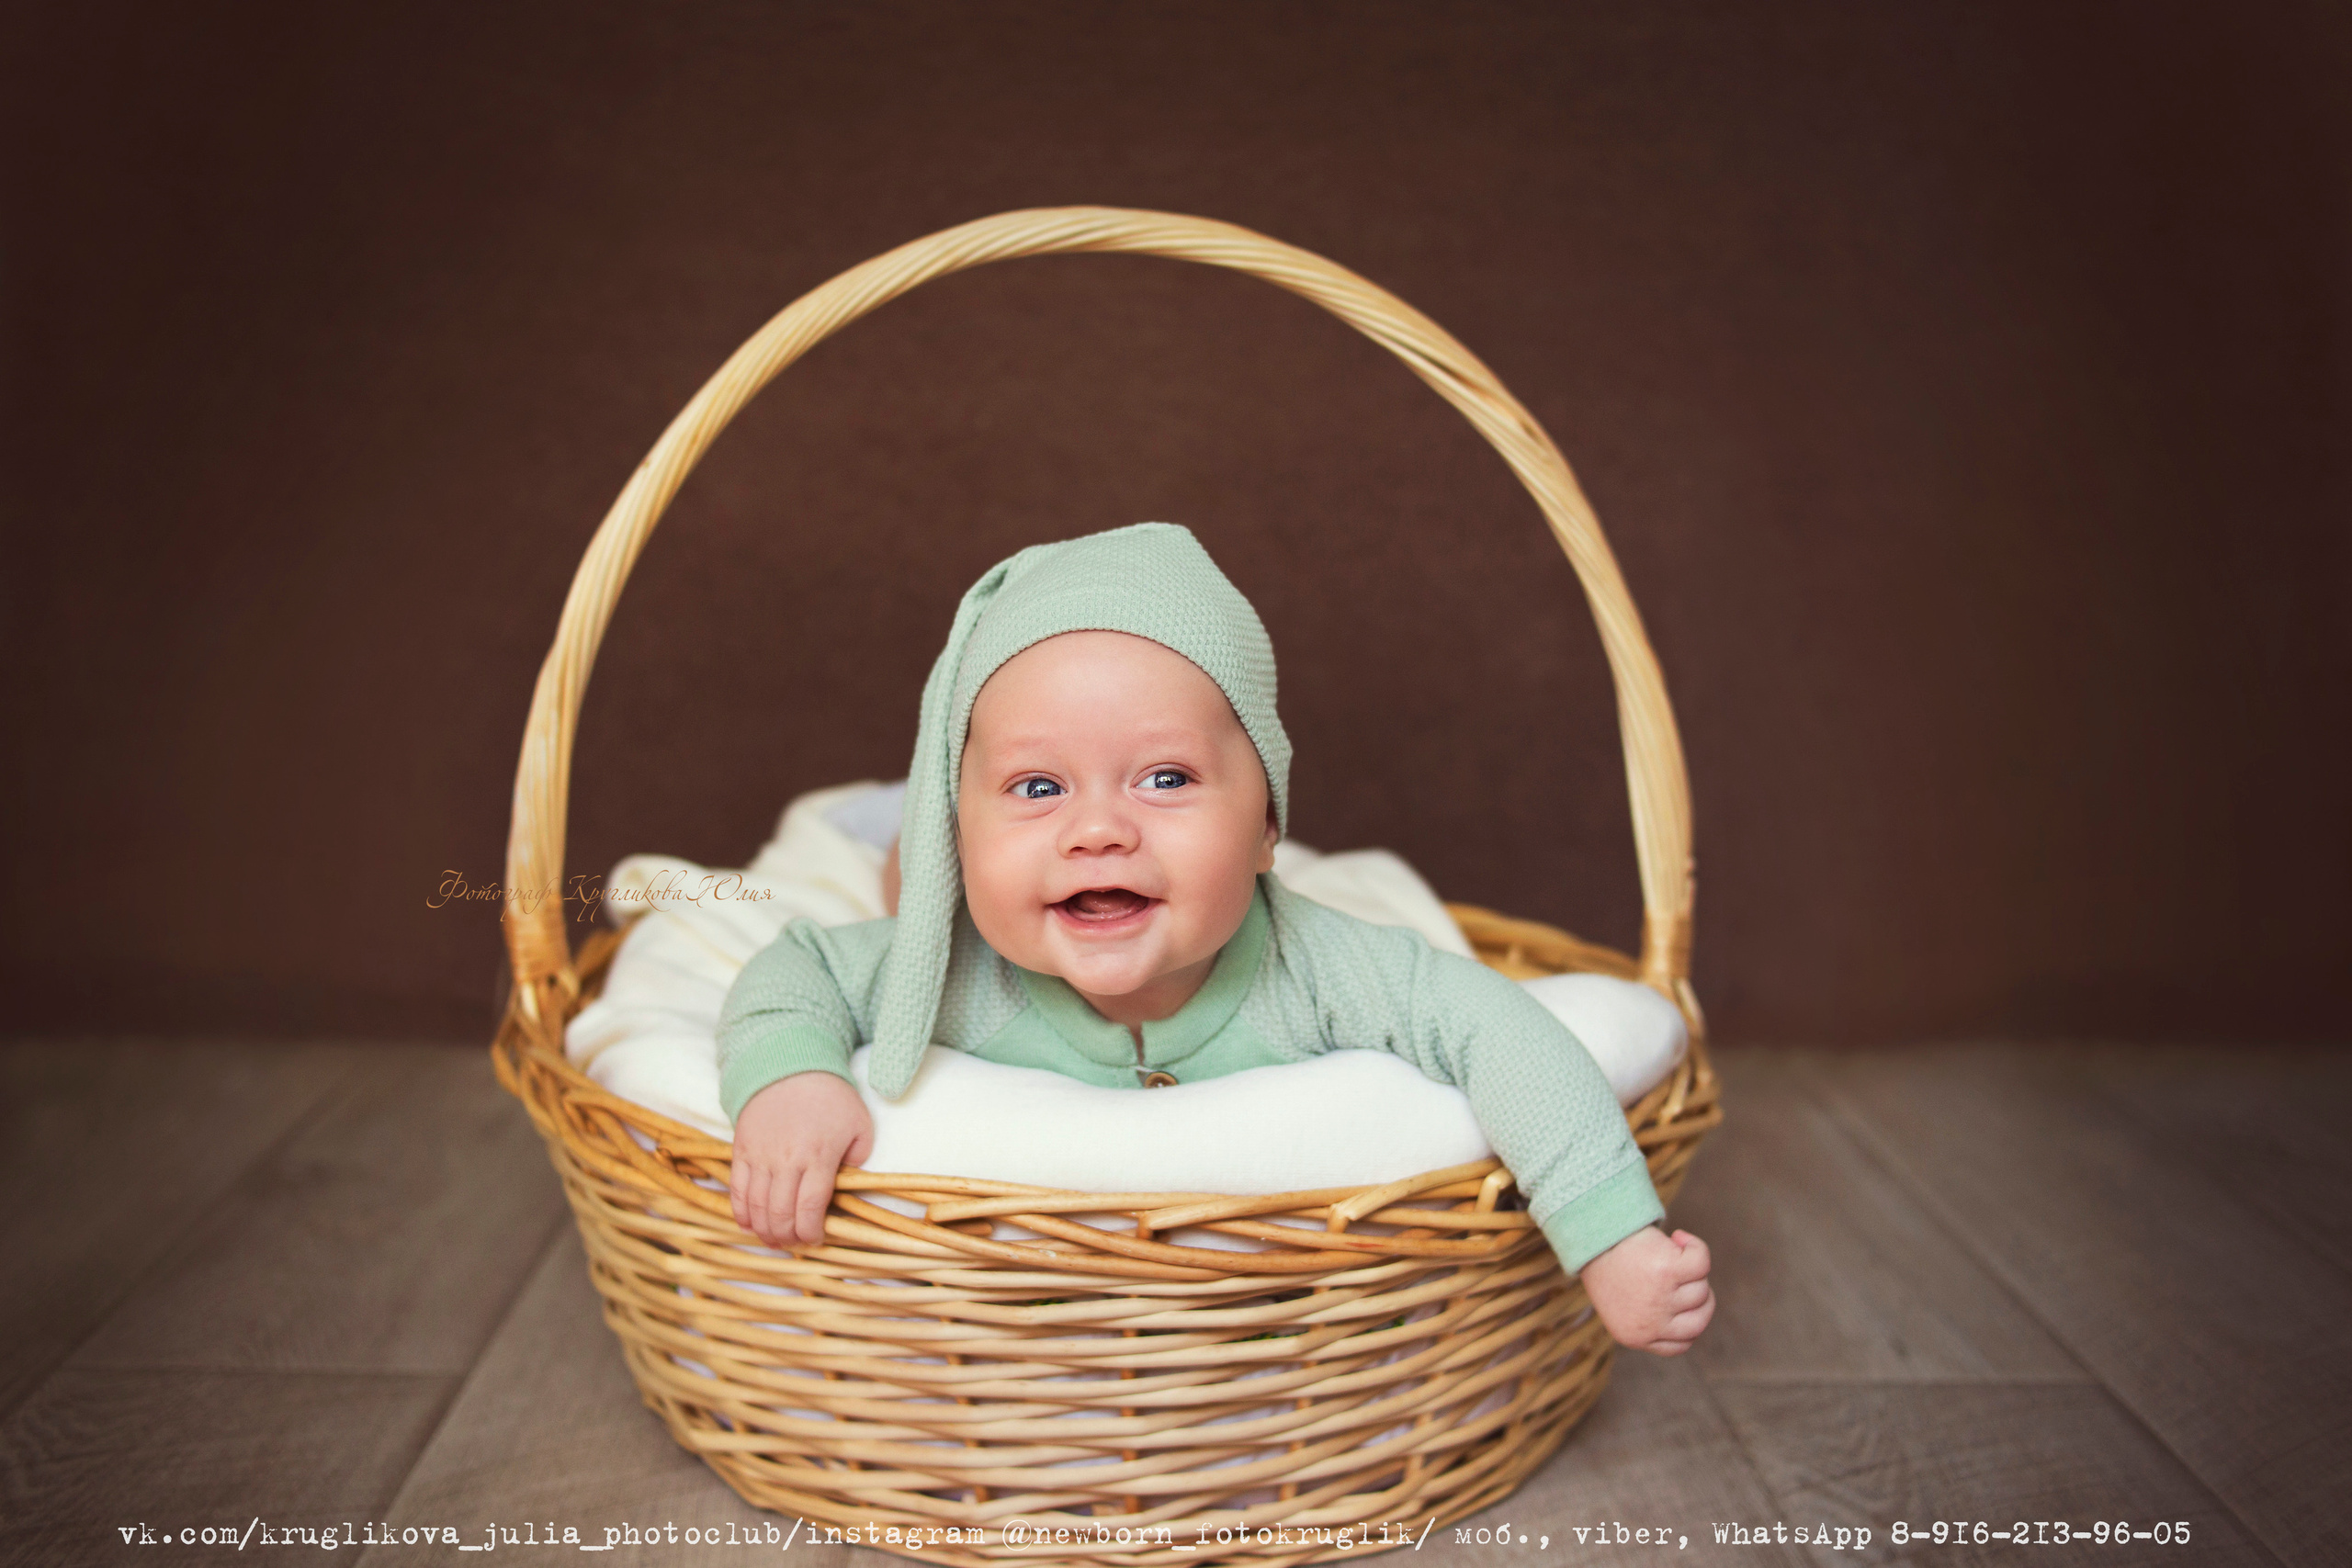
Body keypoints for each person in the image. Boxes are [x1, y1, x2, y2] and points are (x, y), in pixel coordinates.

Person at [718, 523, 1714, 1356]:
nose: (1098, 828)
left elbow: (1508, 1035)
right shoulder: (949, 966)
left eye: (1164, 778)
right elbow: (792, 973)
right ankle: (907, 833)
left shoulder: (1322, 967)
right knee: (908, 885)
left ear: (1270, 822)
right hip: (953, 871)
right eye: (1037, 787)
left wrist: (1611, 1239)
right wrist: (792, 1079)